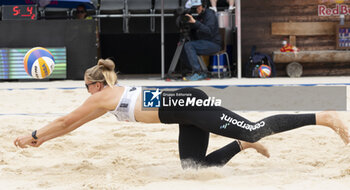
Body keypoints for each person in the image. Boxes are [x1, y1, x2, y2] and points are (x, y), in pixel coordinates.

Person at [14, 59, 350, 169]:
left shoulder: (101, 97)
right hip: (181, 112)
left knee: (250, 128)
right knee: (194, 168)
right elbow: (72, 125)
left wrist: (33, 136)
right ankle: (241, 147)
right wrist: (41, 141)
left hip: (186, 103)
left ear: (95, 84)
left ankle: (325, 116)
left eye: (86, 87)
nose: (85, 93)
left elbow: (64, 121)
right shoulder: (105, 99)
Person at [180, 0, 221, 81]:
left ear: (203, 6)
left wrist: (195, 22)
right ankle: (191, 71)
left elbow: (208, 30)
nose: (196, 9)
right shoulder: (198, 16)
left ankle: (198, 73)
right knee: (186, 44)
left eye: (198, 7)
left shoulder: (209, 15)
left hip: (213, 44)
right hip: (203, 42)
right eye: (194, 7)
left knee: (189, 45)